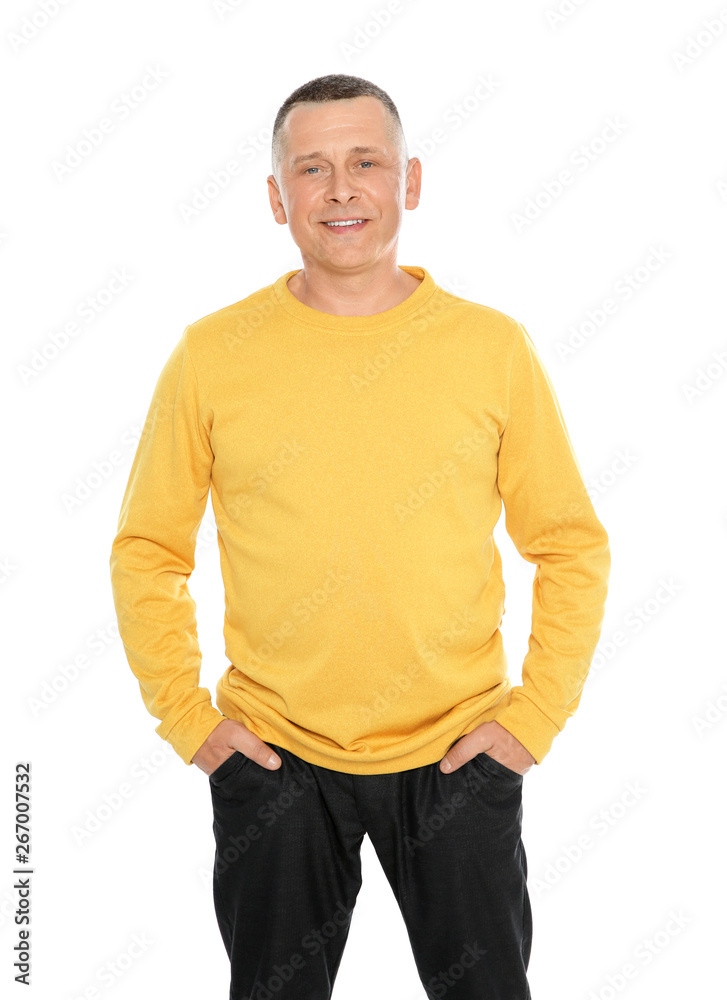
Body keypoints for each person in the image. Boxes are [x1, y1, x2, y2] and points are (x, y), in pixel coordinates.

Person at [109, 73, 610, 1000]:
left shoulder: (489, 347)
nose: (341, 189)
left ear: (408, 182)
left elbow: (570, 544)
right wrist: (190, 722)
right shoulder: (211, 354)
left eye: (365, 162)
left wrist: (531, 720)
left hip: (460, 751)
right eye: (312, 168)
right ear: (276, 199)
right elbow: (147, 550)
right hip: (273, 758)